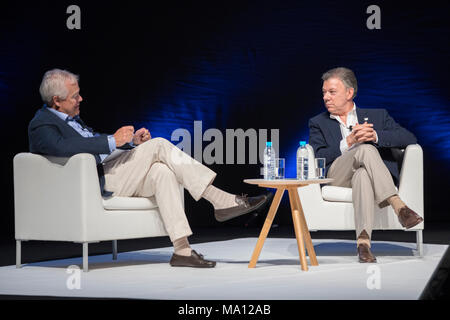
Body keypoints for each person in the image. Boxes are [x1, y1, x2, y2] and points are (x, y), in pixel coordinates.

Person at [28, 69, 268, 268]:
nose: (81, 100)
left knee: (162, 171)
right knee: (160, 145)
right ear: (56, 102)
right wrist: (113, 139)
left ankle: (182, 250)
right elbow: (62, 147)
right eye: (74, 97)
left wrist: (130, 144)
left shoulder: (72, 118)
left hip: (109, 171)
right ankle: (219, 199)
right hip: (95, 181)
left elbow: (93, 147)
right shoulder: (41, 124)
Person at [308, 67, 423, 263]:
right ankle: (399, 206)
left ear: (349, 92)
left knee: (362, 174)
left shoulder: (378, 115)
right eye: (324, 93)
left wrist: (376, 135)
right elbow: (319, 155)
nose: (326, 97)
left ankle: (363, 245)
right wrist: (349, 142)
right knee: (365, 150)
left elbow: (409, 138)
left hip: (369, 176)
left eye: (332, 92)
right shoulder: (318, 122)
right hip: (338, 175)